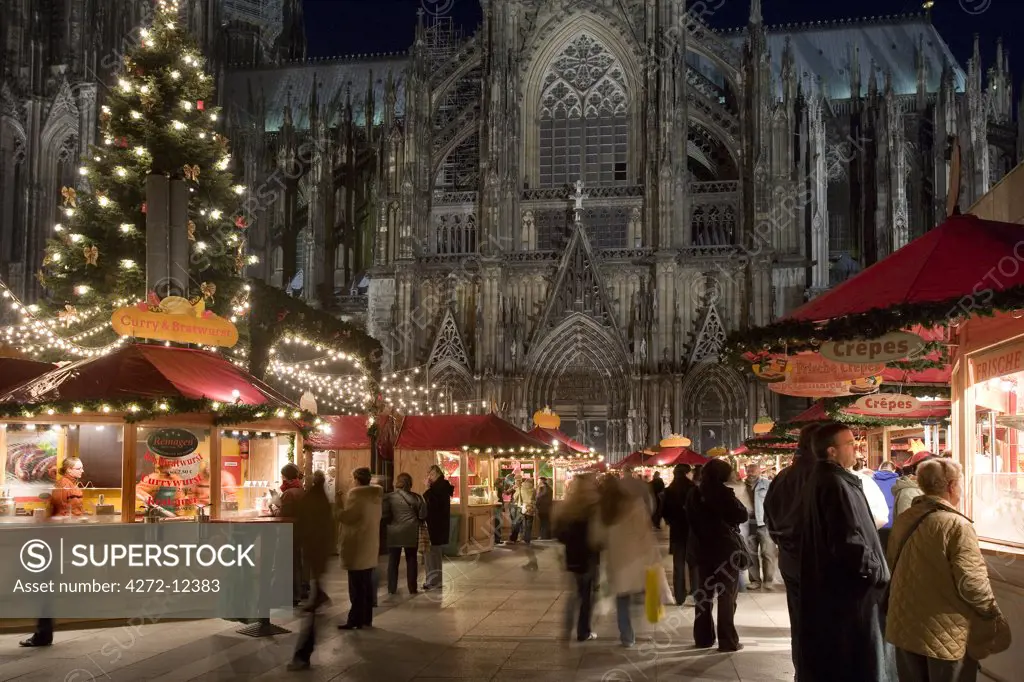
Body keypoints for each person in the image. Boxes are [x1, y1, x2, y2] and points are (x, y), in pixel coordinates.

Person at [885, 458, 1010, 682]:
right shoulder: (956, 525)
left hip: (904, 625)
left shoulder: (906, 518)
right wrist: (993, 616)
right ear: (951, 486)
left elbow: (892, 561)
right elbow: (972, 583)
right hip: (946, 633)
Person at [798, 421, 895, 682]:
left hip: (842, 590)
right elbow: (847, 540)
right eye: (850, 444)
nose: (856, 449)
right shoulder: (834, 484)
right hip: (851, 592)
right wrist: (875, 572)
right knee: (858, 661)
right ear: (832, 451)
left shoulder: (829, 480)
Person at [764, 422, 823, 676]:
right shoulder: (822, 478)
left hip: (789, 557)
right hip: (817, 560)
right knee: (823, 621)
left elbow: (769, 516)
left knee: (798, 618)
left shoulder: (782, 477)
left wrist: (782, 542)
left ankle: (802, 669)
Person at [686, 458, 749, 652]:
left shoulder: (694, 493)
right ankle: (727, 640)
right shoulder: (723, 493)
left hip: (701, 549)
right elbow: (742, 515)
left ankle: (703, 638)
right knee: (726, 596)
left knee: (703, 596)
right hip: (724, 550)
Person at [589, 475, 659, 648]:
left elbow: (597, 536)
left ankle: (627, 636)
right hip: (636, 559)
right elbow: (644, 533)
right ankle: (643, 628)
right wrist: (652, 556)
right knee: (639, 594)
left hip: (616, 560)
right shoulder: (635, 505)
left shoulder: (604, 509)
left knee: (622, 599)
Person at [288, 471, 335, 670]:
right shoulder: (322, 501)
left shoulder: (310, 500)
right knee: (314, 599)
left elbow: (302, 526)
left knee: (311, 617)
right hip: (320, 555)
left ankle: (302, 655)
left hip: (313, 553)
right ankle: (318, 596)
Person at [553, 474, 601, 642]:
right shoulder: (594, 507)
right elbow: (599, 535)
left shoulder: (566, 507)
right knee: (586, 596)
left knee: (574, 594)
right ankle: (583, 631)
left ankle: (566, 629)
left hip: (572, 556)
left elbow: (559, 534)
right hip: (589, 557)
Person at [336, 467, 383, 630]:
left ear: (356, 479)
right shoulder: (375, 496)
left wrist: (337, 505)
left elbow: (348, 517)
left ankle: (354, 619)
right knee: (366, 584)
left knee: (356, 586)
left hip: (357, 545)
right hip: (369, 544)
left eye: (352, 478)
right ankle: (366, 618)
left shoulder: (357, 495)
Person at [383, 472, 426, 595]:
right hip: (411, 530)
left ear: (398, 483)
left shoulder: (389, 497)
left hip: (394, 531)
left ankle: (392, 588)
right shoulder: (417, 497)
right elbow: (423, 514)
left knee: (393, 560)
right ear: (410, 484)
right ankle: (412, 588)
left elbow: (385, 514)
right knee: (411, 559)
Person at [661, 463, 698, 606]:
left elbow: (663, 512)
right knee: (694, 564)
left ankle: (679, 595)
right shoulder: (693, 489)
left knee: (678, 564)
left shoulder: (669, 490)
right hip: (692, 531)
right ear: (687, 473)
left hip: (677, 532)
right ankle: (695, 593)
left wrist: (672, 521)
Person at [275, 463, 307, 605]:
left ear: (285, 477)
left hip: (289, 532)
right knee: (296, 563)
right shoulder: (301, 490)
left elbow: (284, 515)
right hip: (300, 530)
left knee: (287, 563)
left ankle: (291, 595)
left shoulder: (289, 493)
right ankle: (300, 591)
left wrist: (275, 507)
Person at [743, 463, 776, 590]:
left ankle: (768, 580)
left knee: (768, 553)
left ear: (759, 471)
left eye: (753, 471)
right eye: (749, 471)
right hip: (748, 524)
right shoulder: (742, 486)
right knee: (751, 554)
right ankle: (755, 580)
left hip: (764, 524)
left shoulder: (767, 484)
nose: (750, 473)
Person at [423, 464, 454, 590]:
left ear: (436, 473)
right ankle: (437, 580)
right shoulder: (443, 486)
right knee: (436, 553)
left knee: (430, 554)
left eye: (430, 474)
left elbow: (431, 504)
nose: (429, 477)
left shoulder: (437, 488)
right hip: (440, 525)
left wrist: (427, 487)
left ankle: (432, 581)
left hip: (433, 525)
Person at [854, 459, 892, 530]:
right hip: (888, 524)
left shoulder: (869, 479)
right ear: (894, 469)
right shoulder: (866, 480)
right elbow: (881, 517)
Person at [514, 475, 537, 544]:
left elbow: (516, 497)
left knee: (520, 523)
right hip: (531, 507)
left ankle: (519, 537)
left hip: (523, 506)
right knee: (529, 524)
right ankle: (527, 539)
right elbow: (535, 498)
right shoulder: (534, 489)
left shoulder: (521, 488)